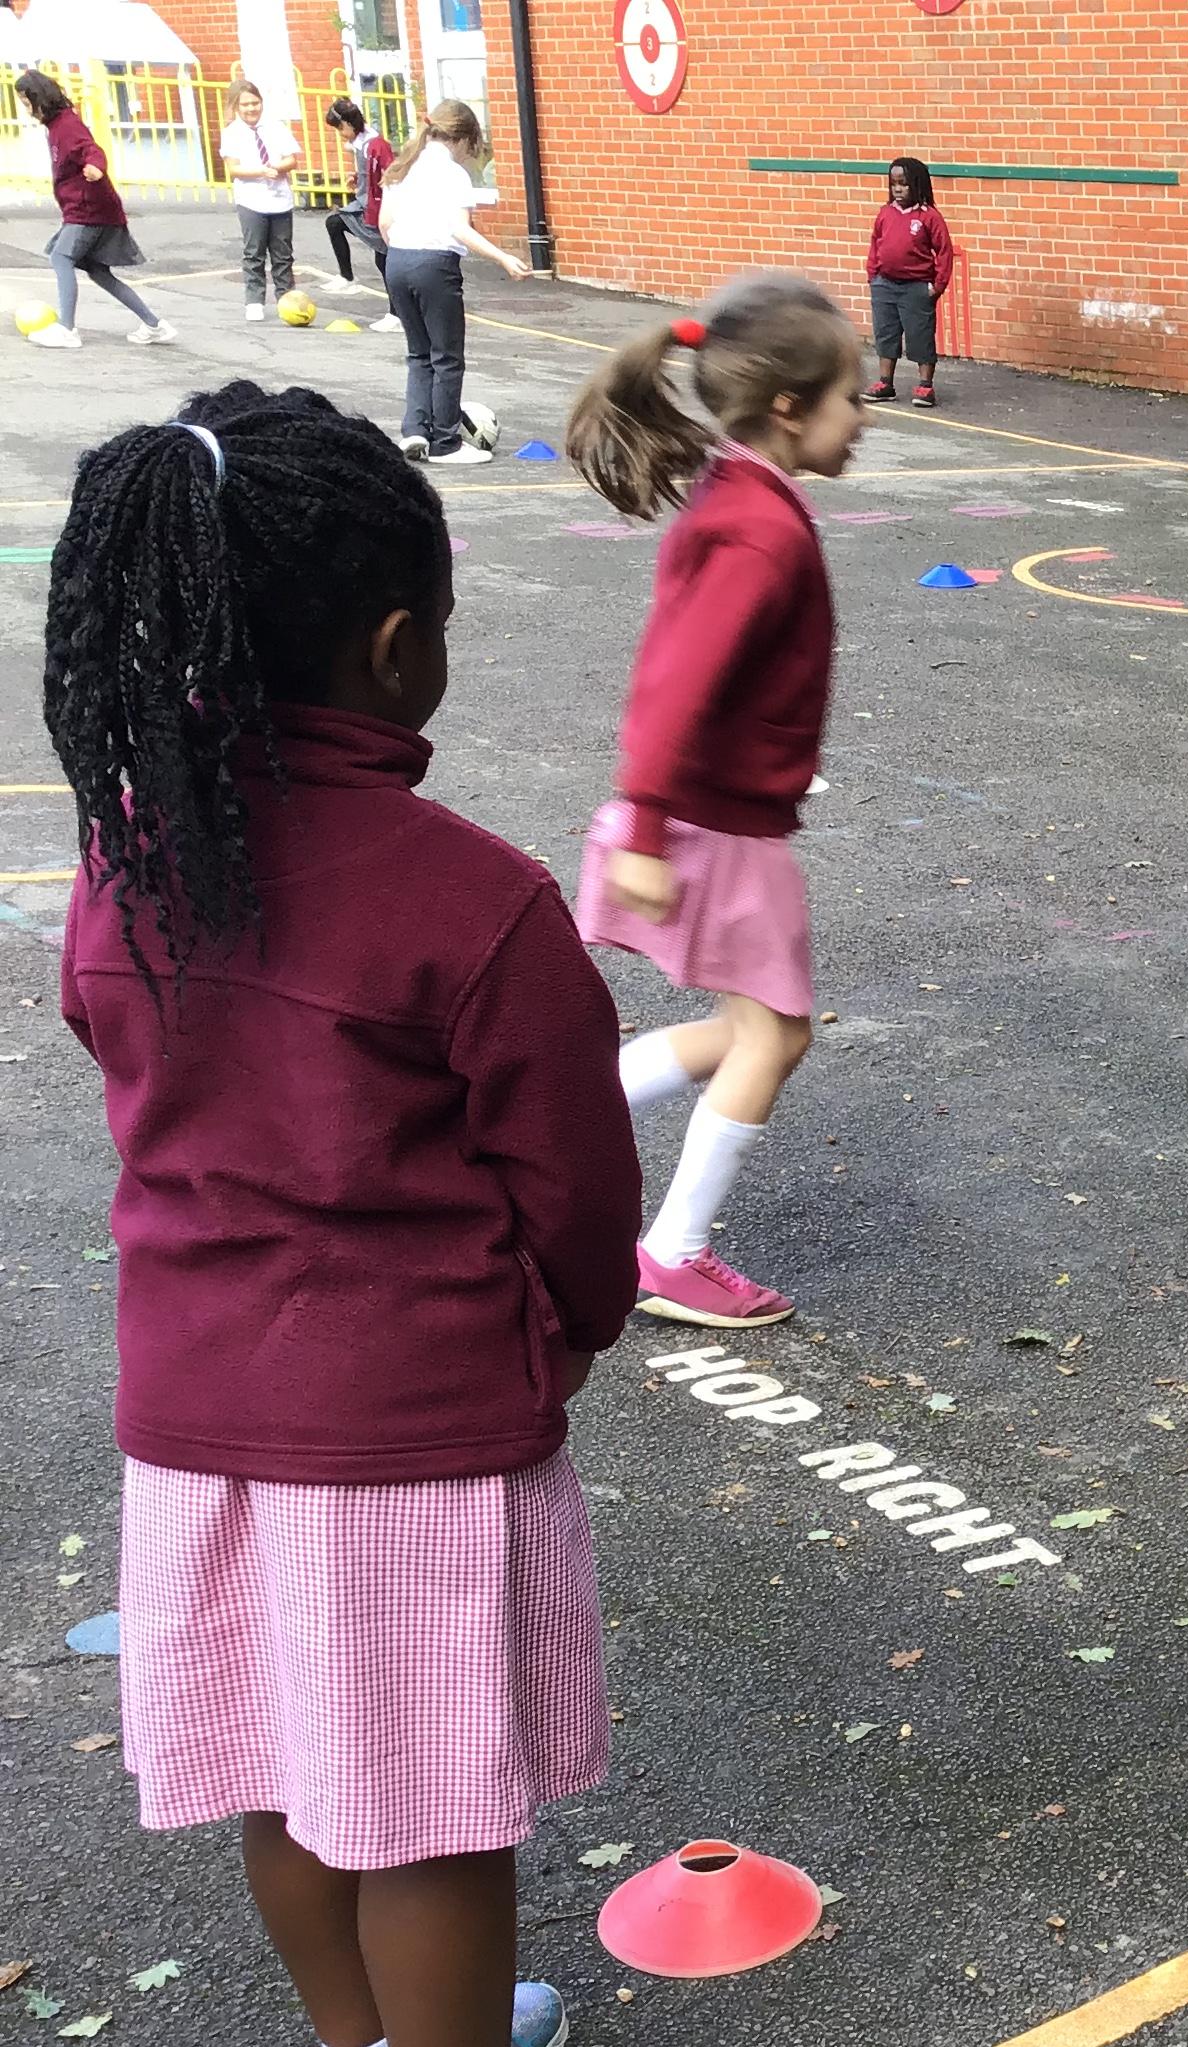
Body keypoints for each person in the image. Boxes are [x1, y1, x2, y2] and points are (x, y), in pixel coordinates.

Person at [48, 381, 682, 2047]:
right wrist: (564, 1335)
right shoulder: (472, 905)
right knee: (426, 1807)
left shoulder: (133, 859)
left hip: (195, 1418)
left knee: (287, 1764)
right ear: (396, 646)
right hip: (405, 1426)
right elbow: (572, 1189)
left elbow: (130, 1065)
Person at [567, 274, 865, 1330]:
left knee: (746, 1027)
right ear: (789, 405)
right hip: (714, 829)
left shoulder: (746, 496)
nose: (863, 417)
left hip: (710, 818)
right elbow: (674, 679)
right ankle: (672, 1254)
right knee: (774, 1037)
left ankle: (545, 1125)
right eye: (851, 398)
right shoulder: (757, 530)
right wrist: (645, 827)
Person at [380, 102, 531, 465]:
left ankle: (415, 430)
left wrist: (405, 252)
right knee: (447, 357)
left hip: (397, 260)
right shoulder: (452, 174)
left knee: (419, 353)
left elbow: (385, 223)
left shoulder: (404, 165)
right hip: (434, 265)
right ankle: (446, 442)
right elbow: (459, 229)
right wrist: (503, 258)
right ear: (462, 139)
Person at [15, 70, 172, 348]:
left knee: (61, 257)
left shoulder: (67, 125)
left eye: (29, 103)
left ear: (42, 98)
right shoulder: (57, 125)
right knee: (98, 271)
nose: (28, 110)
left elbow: (92, 150)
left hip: (89, 210)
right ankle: (154, 325)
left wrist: (96, 167)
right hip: (94, 209)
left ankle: (67, 330)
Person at [864, 155, 955, 409]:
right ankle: (885, 383)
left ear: (918, 185)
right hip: (885, 285)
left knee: (920, 335)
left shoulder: (929, 216)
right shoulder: (885, 213)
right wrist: (873, 275)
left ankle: (925, 385)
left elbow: (944, 251)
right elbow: (875, 244)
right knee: (885, 334)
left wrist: (937, 285)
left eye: (904, 184)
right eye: (893, 184)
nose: (898, 189)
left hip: (916, 287)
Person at [220, 80, 299, 322]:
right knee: (254, 251)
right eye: (245, 104)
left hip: (280, 199)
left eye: (255, 103)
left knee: (283, 253)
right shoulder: (232, 133)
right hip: (251, 200)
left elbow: (292, 160)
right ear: (236, 106)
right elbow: (233, 169)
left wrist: (277, 167)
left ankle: (287, 298)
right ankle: (254, 300)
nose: (251, 108)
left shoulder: (276, 127)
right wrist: (261, 171)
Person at [320, 97, 393, 306]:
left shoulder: (375, 144)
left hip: (376, 208)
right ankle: (347, 277)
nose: (340, 134)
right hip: (367, 203)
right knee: (334, 223)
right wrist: (358, 177)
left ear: (348, 124)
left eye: (340, 128)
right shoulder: (362, 143)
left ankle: (397, 313)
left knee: (384, 258)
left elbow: (389, 171)